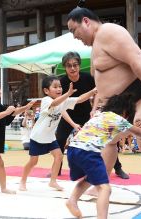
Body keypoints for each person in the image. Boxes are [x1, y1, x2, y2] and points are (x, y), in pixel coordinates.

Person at [67, 7, 141, 208]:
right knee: (107, 141)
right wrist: (97, 107)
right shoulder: (96, 46)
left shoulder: (109, 32)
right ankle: (99, 182)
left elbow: (137, 61)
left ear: (86, 21)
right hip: (119, 103)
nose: (74, 36)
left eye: (74, 30)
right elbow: (102, 85)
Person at [66, 90, 141, 218]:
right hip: (88, 152)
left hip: (73, 150)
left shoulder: (99, 115)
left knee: (90, 178)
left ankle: (72, 200)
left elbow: (117, 135)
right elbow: (139, 133)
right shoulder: (119, 119)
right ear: (125, 112)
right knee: (105, 189)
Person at [56, 51, 129, 179]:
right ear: (65, 67)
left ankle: (117, 168)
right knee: (60, 139)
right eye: (69, 65)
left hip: (86, 113)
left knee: (105, 139)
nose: (72, 68)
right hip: (67, 115)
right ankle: (57, 170)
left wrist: (94, 109)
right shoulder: (61, 82)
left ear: (79, 65)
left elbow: (97, 92)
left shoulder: (87, 78)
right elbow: (59, 103)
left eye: (75, 65)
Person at [19, 75, 97, 191]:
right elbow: (55, 103)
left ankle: (53, 181)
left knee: (59, 156)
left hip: (50, 137)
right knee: (33, 161)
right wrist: (68, 94)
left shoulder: (63, 101)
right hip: (38, 137)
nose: (59, 89)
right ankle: (22, 181)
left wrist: (94, 91)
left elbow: (80, 99)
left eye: (60, 86)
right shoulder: (46, 101)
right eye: (55, 87)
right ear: (46, 91)